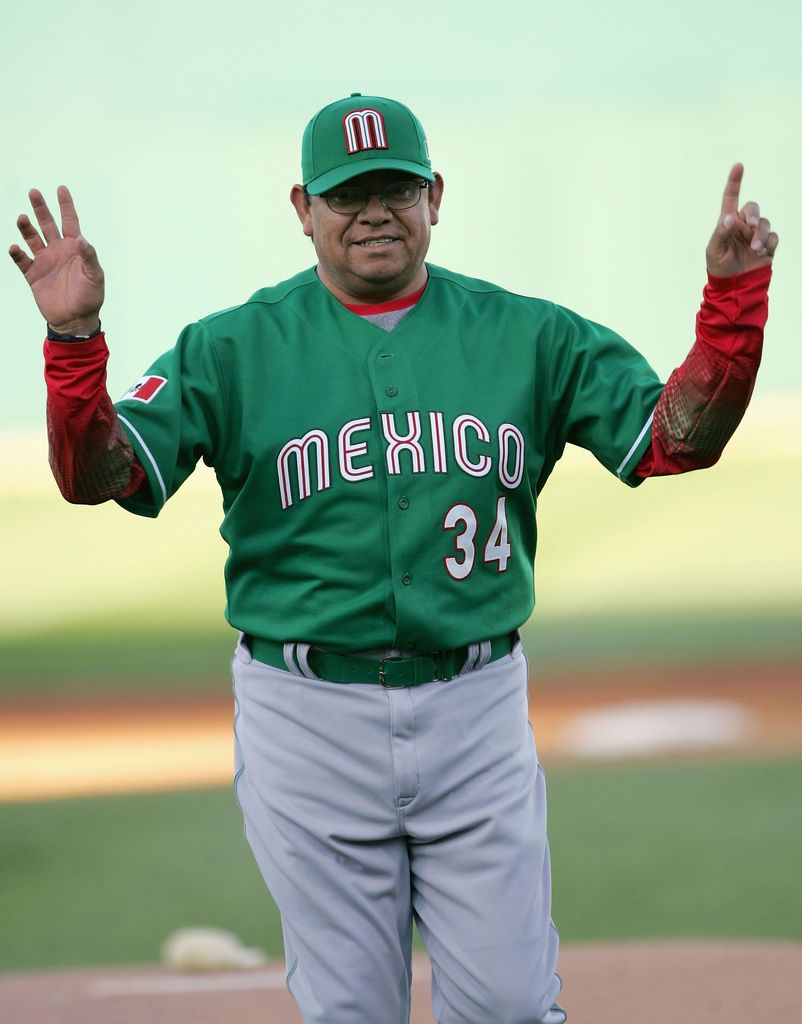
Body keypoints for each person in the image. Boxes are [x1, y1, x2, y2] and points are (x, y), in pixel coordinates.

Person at [9, 93, 777, 1024]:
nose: (374, 210)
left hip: (475, 705)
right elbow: (99, 474)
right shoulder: (230, 347)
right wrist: (74, 342)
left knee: (507, 1007)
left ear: (435, 196)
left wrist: (732, 306)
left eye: (395, 188)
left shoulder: (530, 335)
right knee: (354, 1015)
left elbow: (676, 438)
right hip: (306, 716)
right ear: (303, 209)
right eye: (347, 194)